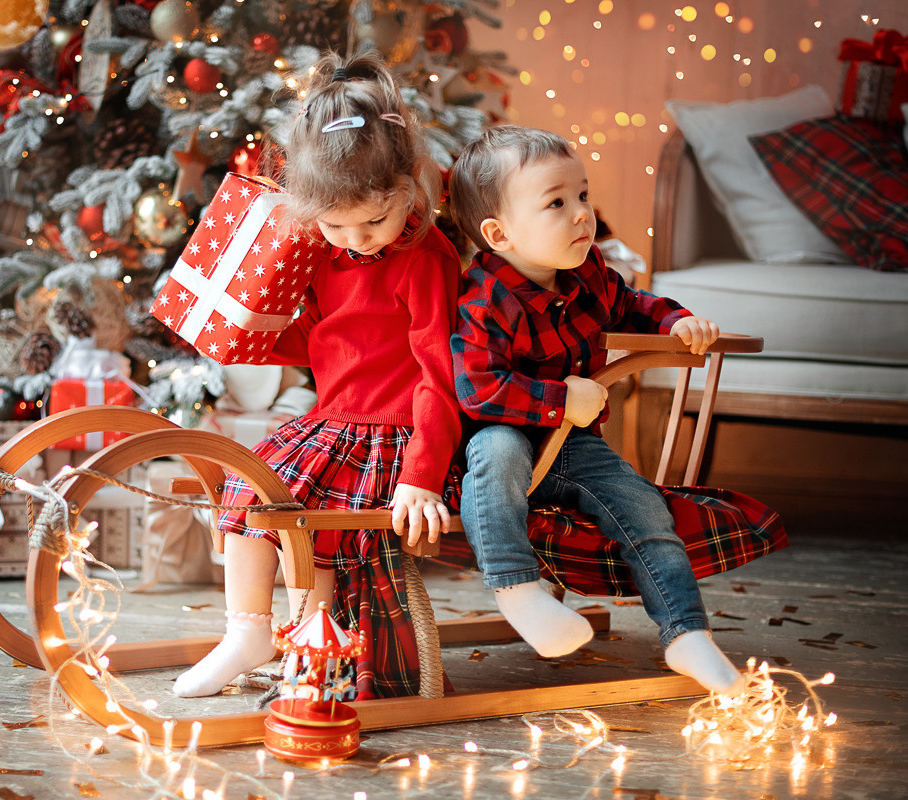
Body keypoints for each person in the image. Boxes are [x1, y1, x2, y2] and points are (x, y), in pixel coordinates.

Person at [172, 51, 462, 699]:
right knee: (247, 497)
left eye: (375, 219)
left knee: (314, 527)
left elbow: (440, 373)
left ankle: (311, 646)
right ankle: (247, 630)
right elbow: (323, 340)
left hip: (394, 430)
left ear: (410, 183)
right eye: (336, 225)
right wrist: (251, 331)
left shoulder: (424, 259)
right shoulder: (324, 255)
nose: (358, 239)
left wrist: (423, 476)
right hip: (332, 422)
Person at [446, 125, 744, 694]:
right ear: (498, 232)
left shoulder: (588, 276)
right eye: (556, 203)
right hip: (498, 438)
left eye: (582, 195)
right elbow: (479, 389)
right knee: (498, 448)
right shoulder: (482, 296)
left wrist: (674, 320)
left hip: (570, 444)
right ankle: (519, 592)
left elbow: (632, 304)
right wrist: (563, 399)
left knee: (642, 504)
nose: (583, 213)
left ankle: (686, 634)